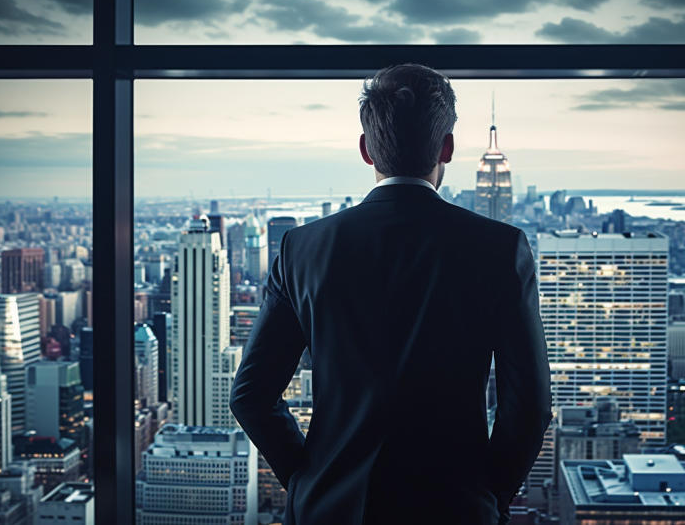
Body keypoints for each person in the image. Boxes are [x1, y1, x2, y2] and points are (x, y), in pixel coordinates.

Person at [230, 63, 552, 525]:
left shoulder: (302, 248)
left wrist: (309, 480)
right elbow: (530, 406)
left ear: (366, 150)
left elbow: (251, 396)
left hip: (329, 510)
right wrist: (487, 496)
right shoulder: (500, 249)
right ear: (447, 147)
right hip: (454, 510)